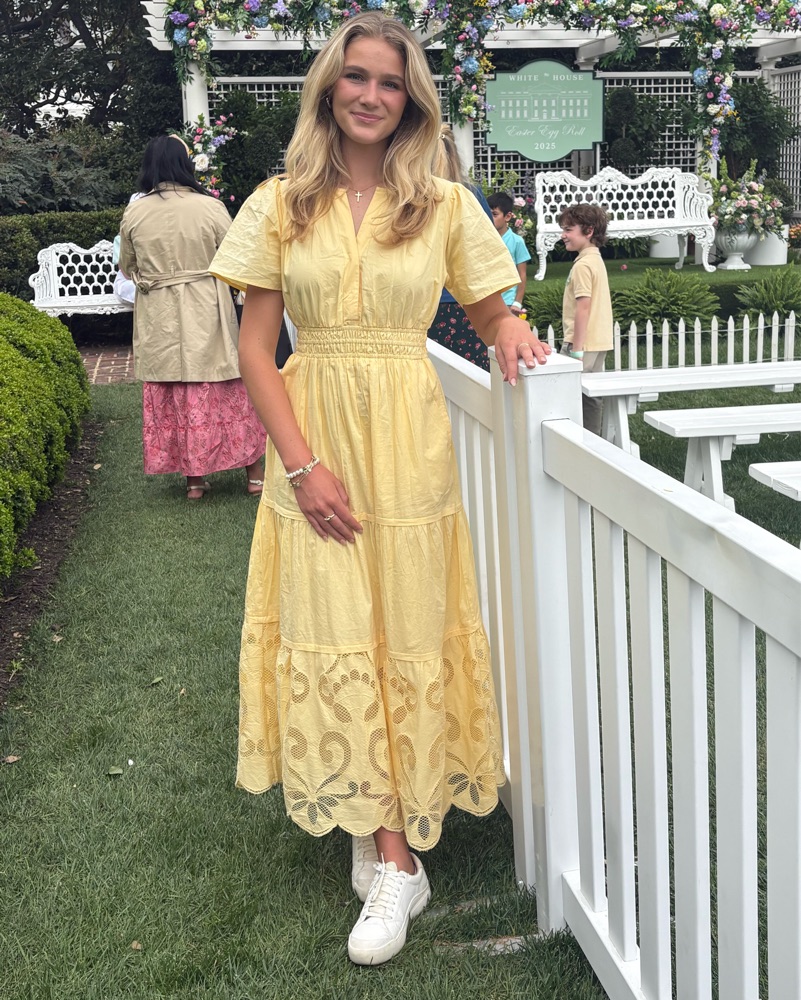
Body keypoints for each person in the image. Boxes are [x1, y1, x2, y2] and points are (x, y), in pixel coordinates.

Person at [209, 11, 549, 966]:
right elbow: (255, 347)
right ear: (329, 88)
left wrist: (514, 331)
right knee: (333, 625)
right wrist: (301, 465)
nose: (370, 95)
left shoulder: (441, 203)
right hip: (311, 436)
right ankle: (393, 852)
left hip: (407, 445)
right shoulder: (280, 202)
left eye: (390, 82)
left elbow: (489, 305)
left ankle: (386, 837)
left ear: (412, 100)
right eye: (355, 76)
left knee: (401, 624)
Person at [118, 135, 265, 500]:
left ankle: (195, 481)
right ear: (185, 165)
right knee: (226, 385)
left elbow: (127, 266)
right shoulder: (209, 207)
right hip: (205, 307)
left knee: (174, 389)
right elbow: (235, 256)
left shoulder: (135, 212)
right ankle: (255, 477)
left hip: (159, 313)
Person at [427, 124, 494, 371]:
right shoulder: (472, 195)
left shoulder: (413, 196)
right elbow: (488, 249)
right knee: (471, 379)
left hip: (423, 304)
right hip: (467, 306)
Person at [558, 203, 613, 435]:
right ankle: (591, 441)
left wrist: (576, 350)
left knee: (566, 395)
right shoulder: (595, 260)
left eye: (568, 229)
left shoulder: (583, 266)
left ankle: (577, 440)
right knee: (591, 397)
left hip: (582, 344)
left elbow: (583, 308)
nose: (563, 235)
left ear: (588, 231)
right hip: (598, 342)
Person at [487, 192, 531, 316]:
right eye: (487, 214)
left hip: (508, 301)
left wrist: (517, 302)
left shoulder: (517, 241)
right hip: (487, 301)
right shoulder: (483, 241)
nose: (490, 218)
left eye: (494, 214)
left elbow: (522, 274)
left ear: (507, 216)